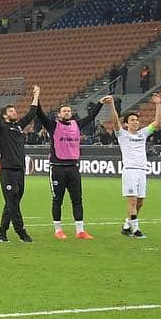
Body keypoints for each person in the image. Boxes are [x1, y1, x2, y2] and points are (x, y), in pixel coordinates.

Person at [33, 88, 101, 240]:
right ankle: (58, 229)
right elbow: (40, 114)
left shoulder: (77, 125)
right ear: (59, 114)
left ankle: (80, 230)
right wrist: (36, 97)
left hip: (73, 167)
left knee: (77, 199)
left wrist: (100, 103)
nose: (67, 112)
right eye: (64, 111)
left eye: (69, 111)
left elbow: (91, 116)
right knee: (58, 199)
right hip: (57, 167)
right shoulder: (53, 126)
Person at [0, 89, 38, 242]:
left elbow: (31, 114)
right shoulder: (2, 128)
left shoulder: (18, 127)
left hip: (20, 171)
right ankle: (21, 232)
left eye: (14, 110)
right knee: (12, 202)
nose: (14, 112)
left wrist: (36, 95)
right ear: (4, 115)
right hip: (8, 171)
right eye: (11, 110)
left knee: (12, 203)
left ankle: (1, 233)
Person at [106, 94, 160, 239]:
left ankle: (126, 225)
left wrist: (158, 104)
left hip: (142, 171)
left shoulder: (143, 134)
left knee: (140, 202)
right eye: (132, 120)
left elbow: (157, 122)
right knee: (133, 200)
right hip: (130, 170)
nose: (136, 122)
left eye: (137, 120)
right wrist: (111, 105)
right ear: (126, 124)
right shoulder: (122, 134)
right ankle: (136, 230)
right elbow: (115, 121)